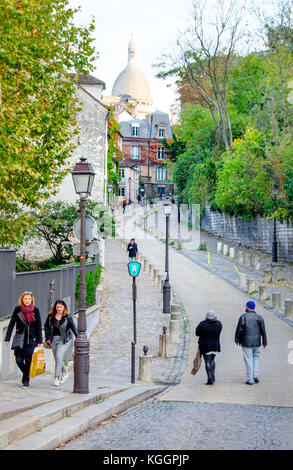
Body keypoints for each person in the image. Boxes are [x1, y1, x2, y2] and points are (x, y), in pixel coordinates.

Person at [4, 292, 43, 388]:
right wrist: (7, 338)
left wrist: (40, 340)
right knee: (19, 360)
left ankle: (26, 381)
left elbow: (39, 326)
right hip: (20, 340)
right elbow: (12, 324)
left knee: (29, 361)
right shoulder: (17, 310)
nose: (27, 300)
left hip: (31, 340)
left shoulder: (36, 310)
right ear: (22, 300)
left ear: (31, 300)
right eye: (25, 299)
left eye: (29, 299)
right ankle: (26, 374)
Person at [44, 299, 77, 387]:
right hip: (54, 339)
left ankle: (56, 378)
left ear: (64, 308)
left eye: (61, 307)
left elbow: (74, 328)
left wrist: (79, 338)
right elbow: (46, 327)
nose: (59, 308)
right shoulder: (51, 316)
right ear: (55, 307)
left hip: (65, 339)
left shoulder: (67, 317)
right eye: (57, 307)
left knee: (59, 356)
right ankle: (65, 372)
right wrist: (47, 338)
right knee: (57, 358)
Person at [235, 300, 267, 385]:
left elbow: (239, 329)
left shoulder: (243, 317)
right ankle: (255, 375)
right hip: (256, 342)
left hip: (246, 341)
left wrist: (237, 339)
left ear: (248, 307)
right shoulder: (259, 317)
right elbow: (263, 330)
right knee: (256, 357)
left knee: (248, 359)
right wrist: (264, 341)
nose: (245, 307)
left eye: (246, 306)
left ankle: (250, 379)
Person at [195, 311, 222, 385]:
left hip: (206, 346)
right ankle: (213, 376)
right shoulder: (219, 324)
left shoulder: (203, 324)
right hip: (215, 345)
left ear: (206, 317)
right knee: (212, 360)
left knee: (207, 361)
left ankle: (209, 378)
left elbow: (197, 333)